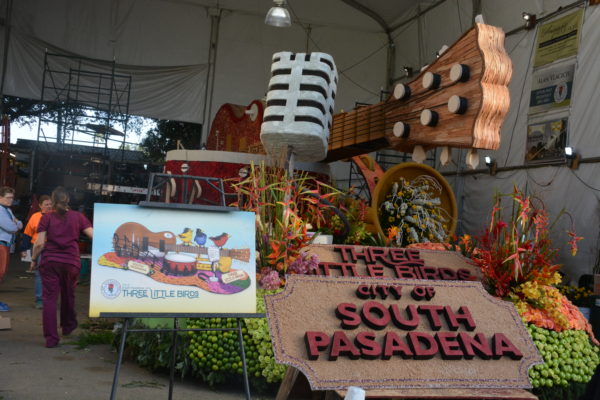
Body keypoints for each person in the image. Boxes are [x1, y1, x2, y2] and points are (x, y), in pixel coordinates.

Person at [31, 187, 92, 348]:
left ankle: (51, 339)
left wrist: (33, 259)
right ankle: (68, 326)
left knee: (49, 299)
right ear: (68, 200)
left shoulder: (47, 218)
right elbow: (93, 235)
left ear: (53, 200)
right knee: (68, 295)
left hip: (50, 262)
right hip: (71, 262)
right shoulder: (78, 217)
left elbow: (39, 243)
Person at [23, 195, 52, 309]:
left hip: (52, 248)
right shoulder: (35, 217)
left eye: (50, 204)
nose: (49, 206)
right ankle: (40, 299)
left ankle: (50, 299)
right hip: (38, 247)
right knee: (39, 274)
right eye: (46, 204)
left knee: (52, 274)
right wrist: (23, 249)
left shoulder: (56, 215)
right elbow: (27, 233)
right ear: (40, 206)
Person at [0, 186, 23, 312]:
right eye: (8, 198)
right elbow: (12, 227)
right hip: (1, 244)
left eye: (12, 198)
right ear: (0, 197)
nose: (10, 200)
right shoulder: (0, 210)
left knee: (1, 273)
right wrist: (17, 223)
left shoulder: (7, 210)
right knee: (0, 273)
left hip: (5, 244)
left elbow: (18, 223)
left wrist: (16, 223)